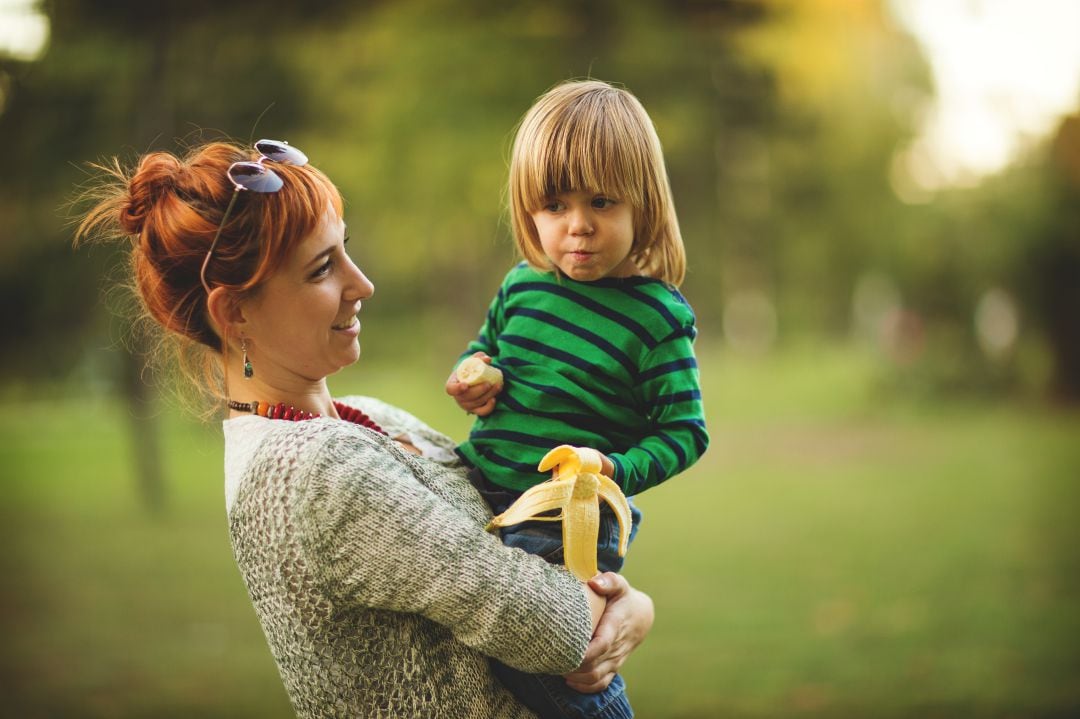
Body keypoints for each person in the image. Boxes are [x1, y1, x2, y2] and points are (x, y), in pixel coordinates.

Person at [75, 138, 655, 718]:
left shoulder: (372, 417)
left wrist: (626, 609)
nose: (363, 284)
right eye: (322, 268)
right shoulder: (310, 473)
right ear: (235, 313)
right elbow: (552, 630)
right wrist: (630, 610)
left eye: (344, 250)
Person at [446, 79, 709, 718]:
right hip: (486, 489)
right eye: (555, 205)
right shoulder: (522, 287)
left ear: (642, 204)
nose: (579, 226)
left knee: (557, 660)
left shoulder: (655, 317)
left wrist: (613, 467)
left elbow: (685, 432)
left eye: (601, 202)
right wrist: (472, 376)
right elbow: (484, 352)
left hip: (568, 523)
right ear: (528, 208)